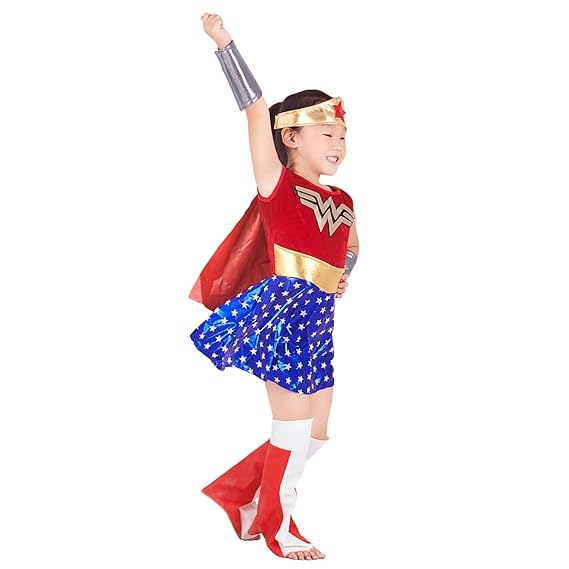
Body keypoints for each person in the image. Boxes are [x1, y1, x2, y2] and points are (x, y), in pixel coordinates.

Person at [189, 13, 360, 561]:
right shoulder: (277, 184)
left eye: (343, 137)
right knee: (292, 426)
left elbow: (352, 246)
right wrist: (225, 43)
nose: (338, 144)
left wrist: (343, 276)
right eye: (327, 134)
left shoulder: (343, 200)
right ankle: (277, 525)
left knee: (318, 429)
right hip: (283, 312)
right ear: (291, 137)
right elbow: (255, 109)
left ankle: (242, 495)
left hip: (319, 316)